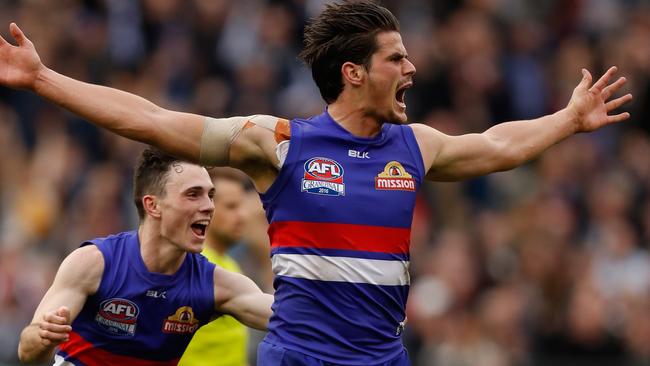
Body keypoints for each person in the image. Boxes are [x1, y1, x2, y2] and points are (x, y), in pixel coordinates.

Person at [0, 1, 632, 365]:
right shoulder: (279, 144)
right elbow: (156, 120)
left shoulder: (417, 146)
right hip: (300, 358)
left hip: (383, 357)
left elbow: (497, 146)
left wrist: (569, 119)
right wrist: (44, 79)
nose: (413, 67)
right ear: (354, 73)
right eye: (396, 58)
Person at [16, 148, 273, 365]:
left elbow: (291, 316)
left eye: (210, 195)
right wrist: (43, 336)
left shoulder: (216, 283)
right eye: (193, 194)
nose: (208, 206)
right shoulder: (93, 263)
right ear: (153, 205)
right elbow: (27, 352)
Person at [180, 168, 255, 366]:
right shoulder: (189, 265)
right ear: (205, 208)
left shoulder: (230, 265)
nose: (243, 215)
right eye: (231, 207)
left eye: (243, 206)